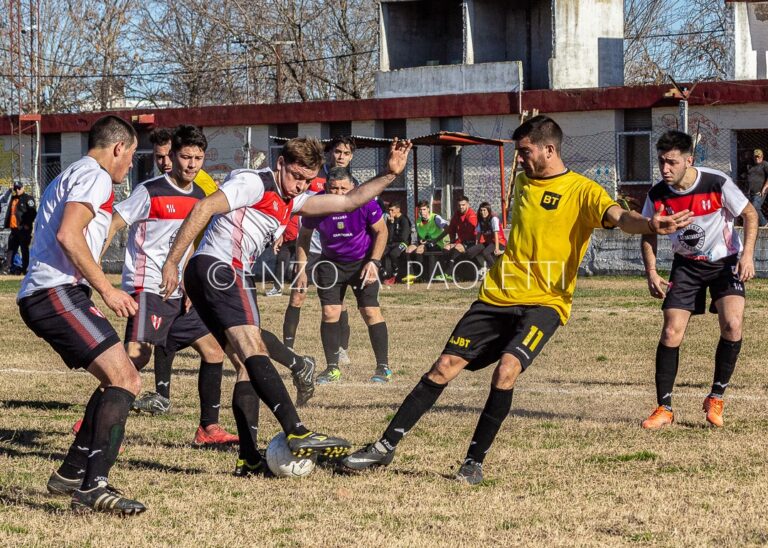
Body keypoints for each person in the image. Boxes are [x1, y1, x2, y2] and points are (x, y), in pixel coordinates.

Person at [342, 115, 691, 485]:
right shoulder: (524, 181)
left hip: (546, 303)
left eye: (525, 152)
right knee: (443, 366)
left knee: (506, 369)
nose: (519, 160)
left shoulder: (583, 190)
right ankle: (385, 446)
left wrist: (649, 224)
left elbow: (619, 217)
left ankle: (473, 463)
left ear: (549, 150)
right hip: (497, 295)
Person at [160, 136, 412, 473]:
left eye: (308, 180)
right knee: (254, 348)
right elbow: (203, 208)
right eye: (296, 176)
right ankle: (296, 429)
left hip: (210, 271)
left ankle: (249, 460)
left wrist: (390, 174)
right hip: (222, 268)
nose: (300, 185)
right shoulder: (254, 183)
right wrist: (171, 263)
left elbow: (349, 201)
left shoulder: (292, 199)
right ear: (280, 164)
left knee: (244, 362)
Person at [18, 115, 145, 514]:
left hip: (52, 293)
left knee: (116, 378)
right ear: (119, 148)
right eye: (132, 155)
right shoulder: (96, 176)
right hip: (55, 292)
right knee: (126, 379)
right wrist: (107, 289)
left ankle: (72, 473)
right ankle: (93, 487)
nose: (130, 165)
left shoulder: (74, 173)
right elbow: (68, 235)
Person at [105, 125, 239, 446]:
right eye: (185, 157)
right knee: (136, 358)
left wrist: (190, 283)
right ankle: (95, 420)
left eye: (198, 158)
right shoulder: (149, 191)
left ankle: (208, 429)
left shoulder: (201, 198)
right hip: (148, 285)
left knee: (213, 350)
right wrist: (92, 264)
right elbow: (113, 224)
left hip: (178, 290)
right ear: (173, 156)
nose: (191, 164)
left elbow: (190, 245)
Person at [640, 130, 757, 430]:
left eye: (672, 162)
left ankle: (715, 397)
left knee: (732, 324)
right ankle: (664, 408)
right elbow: (647, 230)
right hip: (686, 266)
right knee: (671, 331)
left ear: (689, 160)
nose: (665, 168)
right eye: (661, 161)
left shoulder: (716, 182)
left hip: (725, 264)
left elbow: (749, 213)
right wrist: (651, 270)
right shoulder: (657, 194)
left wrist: (747, 256)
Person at [296, 166, 390, 384]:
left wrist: (374, 262)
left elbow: (382, 231)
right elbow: (304, 237)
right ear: (326, 187)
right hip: (330, 263)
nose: (338, 193)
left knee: (369, 311)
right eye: (333, 188)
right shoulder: (317, 204)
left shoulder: (365, 201)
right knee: (330, 312)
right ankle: (332, 368)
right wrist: (301, 270)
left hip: (363, 262)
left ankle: (383, 367)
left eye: (343, 189)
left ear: (353, 187)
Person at [281, 135, 358, 358]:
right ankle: (288, 348)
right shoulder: (311, 174)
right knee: (298, 295)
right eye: (337, 151)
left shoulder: (352, 184)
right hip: (309, 246)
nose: (341, 157)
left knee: (339, 302)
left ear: (351, 157)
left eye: (346, 153)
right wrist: (281, 229)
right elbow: (290, 202)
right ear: (329, 153)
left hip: (334, 251)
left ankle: (342, 349)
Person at [403, 200, 448, 283]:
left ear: (428, 209)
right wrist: (420, 240)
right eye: (420, 210)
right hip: (424, 243)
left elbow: (447, 228)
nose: (422, 212)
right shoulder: (418, 221)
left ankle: (419, 275)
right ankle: (411, 275)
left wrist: (436, 239)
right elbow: (420, 236)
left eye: (424, 209)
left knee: (419, 249)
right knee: (408, 249)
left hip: (436, 243)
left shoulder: (435, 218)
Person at [437, 196, 477, 280]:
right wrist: (452, 241)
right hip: (461, 241)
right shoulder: (457, 214)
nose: (461, 207)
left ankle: (448, 273)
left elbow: (473, 234)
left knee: (457, 247)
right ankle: (449, 274)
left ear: (468, 205)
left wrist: (457, 243)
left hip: (472, 242)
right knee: (446, 248)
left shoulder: (471, 216)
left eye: (463, 205)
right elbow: (451, 229)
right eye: (459, 205)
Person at [465, 201, 506, 277]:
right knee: (470, 252)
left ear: (488, 211)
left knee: (485, 252)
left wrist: (497, 248)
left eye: (484, 210)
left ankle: (495, 270)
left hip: (499, 242)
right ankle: (483, 267)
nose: (482, 212)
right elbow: (478, 234)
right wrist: (476, 245)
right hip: (489, 242)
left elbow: (496, 235)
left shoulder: (493, 219)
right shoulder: (481, 220)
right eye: (481, 210)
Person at [4, 181, 37, 274]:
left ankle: (25, 268)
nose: (17, 190)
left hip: (23, 229)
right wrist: (9, 190)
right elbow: (5, 200)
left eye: (19, 188)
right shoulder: (13, 198)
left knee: (24, 249)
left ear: (23, 188)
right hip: (14, 229)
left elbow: (33, 212)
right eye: (15, 189)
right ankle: (8, 268)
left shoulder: (28, 198)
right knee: (11, 249)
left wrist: (27, 224)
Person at [381, 201, 411, 285]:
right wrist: (391, 224)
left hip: (403, 243)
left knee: (394, 253)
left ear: (398, 210)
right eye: (389, 210)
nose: (390, 212)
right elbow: (389, 236)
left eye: (392, 210)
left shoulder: (404, 220)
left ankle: (396, 272)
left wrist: (393, 239)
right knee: (380, 251)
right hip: (392, 243)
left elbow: (404, 237)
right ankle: (383, 272)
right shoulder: (391, 220)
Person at [744, 148, 768, 227]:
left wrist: (764, 188)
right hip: (749, 193)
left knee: (755, 207)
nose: (757, 158)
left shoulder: (765, 164)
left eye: (759, 156)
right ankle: (753, 225)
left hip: (760, 192)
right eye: (755, 157)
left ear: (762, 156)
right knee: (748, 210)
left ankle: (765, 224)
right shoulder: (750, 165)